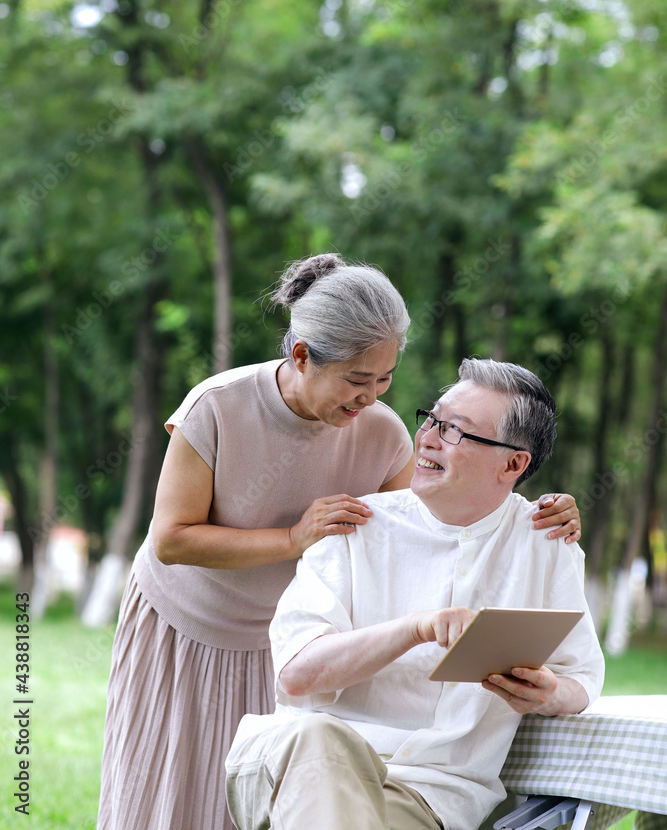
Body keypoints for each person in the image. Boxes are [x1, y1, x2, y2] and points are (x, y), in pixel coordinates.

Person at [97, 256, 581, 830]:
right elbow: (171, 539)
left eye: (386, 379)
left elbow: (434, 519)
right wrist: (295, 537)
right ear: (301, 355)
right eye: (357, 379)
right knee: (166, 790)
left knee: (258, 798)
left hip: (287, 637)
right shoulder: (219, 405)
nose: (371, 397)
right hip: (189, 621)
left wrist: (541, 509)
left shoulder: (379, 428)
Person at [225, 358, 605, 830]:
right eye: (432, 419)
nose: (426, 437)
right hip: (295, 763)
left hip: (426, 796)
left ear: (512, 463)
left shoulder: (546, 546)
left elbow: (582, 679)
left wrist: (547, 693)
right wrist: (415, 629)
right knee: (320, 737)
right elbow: (298, 674)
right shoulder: (354, 526)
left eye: (454, 431)